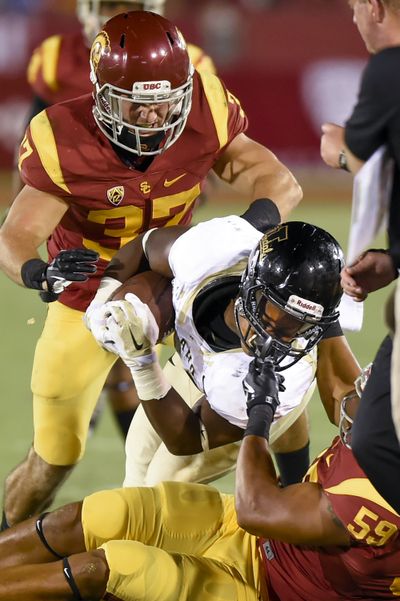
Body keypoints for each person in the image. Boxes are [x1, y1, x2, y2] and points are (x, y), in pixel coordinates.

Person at [0, 10, 302, 529]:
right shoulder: (62, 137)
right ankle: (8, 544)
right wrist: (40, 274)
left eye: (166, 99)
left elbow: (279, 181)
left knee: (267, 377)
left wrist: (245, 229)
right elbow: (15, 235)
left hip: (179, 283)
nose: (156, 116)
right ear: (101, 96)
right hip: (89, 301)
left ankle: (298, 486)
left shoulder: (205, 107)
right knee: (54, 457)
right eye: (137, 105)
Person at [0, 368, 398, 600]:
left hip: (264, 589)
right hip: (246, 534)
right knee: (94, 516)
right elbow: (344, 390)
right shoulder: (384, 439)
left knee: (102, 567)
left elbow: (258, 507)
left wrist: (260, 413)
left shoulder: (379, 496)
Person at [15, 0, 217, 441]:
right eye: (108, 4)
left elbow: (206, 152)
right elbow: (38, 145)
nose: (116, 13)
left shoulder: (190, 65)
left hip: (158, 244)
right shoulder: (57, 57)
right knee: (109, 343)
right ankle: (101, 395)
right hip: (91, 244)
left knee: (143, 359)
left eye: (127, 4)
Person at [85, 219, 360, 488]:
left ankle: (278, 513)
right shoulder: (218, 252)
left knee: (160, 485)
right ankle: (294, 485)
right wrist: (99, 304)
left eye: (303, 325)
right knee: (138, 459)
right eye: (277, 314)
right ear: (251, 286)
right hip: (202, 365)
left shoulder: (287, 370)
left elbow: (187, 440)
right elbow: (144, 246)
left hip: (254, 395)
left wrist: (142, 361)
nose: (282, 338)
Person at [320, 0, 400, 513]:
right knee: (375, 436)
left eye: (354, 7)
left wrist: (339, 149)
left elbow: (360, 154)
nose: (353, 19)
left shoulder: (390, 69)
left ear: (374, 6)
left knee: (377, 443)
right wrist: (394, 259)